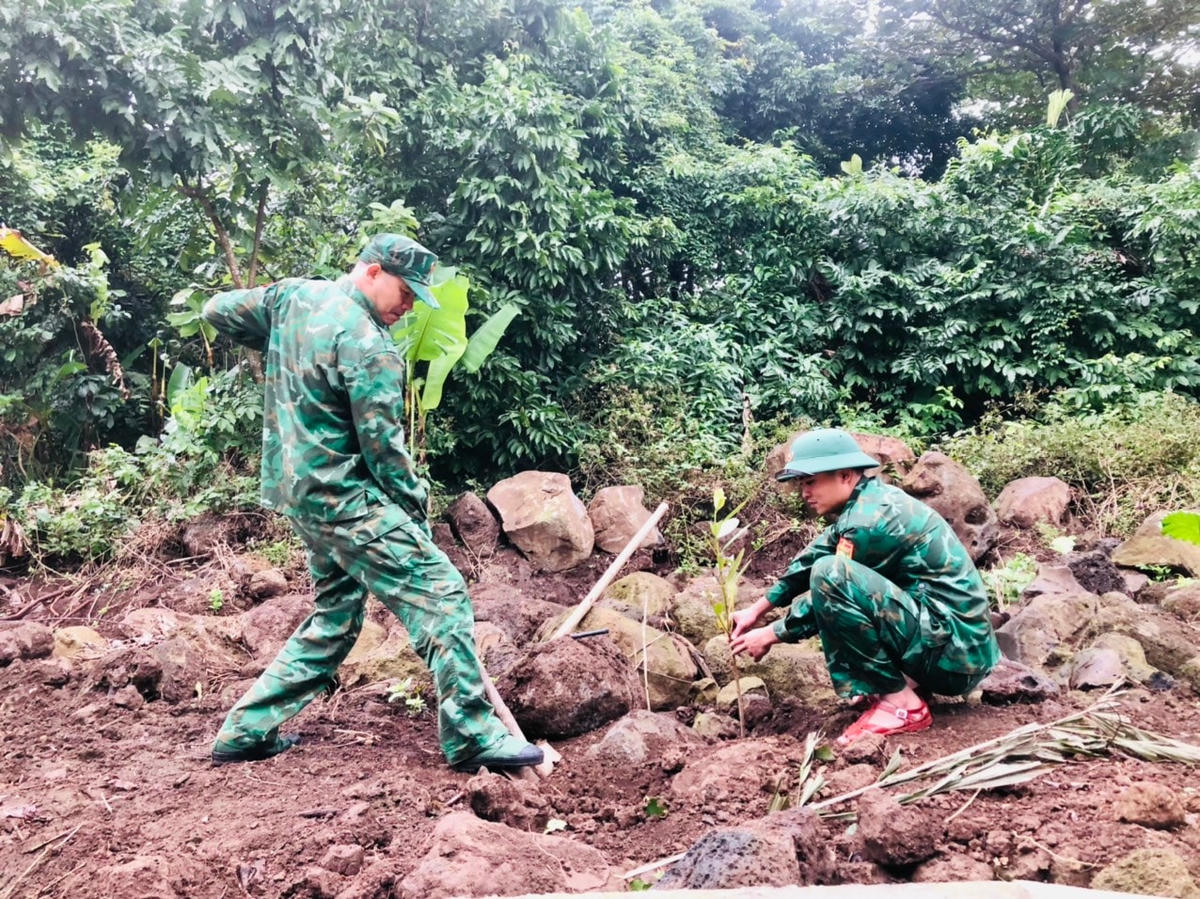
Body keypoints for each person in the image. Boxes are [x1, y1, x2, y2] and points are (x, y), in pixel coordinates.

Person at [202, 233, 542, 773]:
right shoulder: (370, 346)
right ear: (373, 271)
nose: (408, 307)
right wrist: (414, 513)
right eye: (405, 293)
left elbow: (215, 310)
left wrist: (275, 335)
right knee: (442, 594)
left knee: (337, 615)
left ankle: (245, 731)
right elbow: (385, 453)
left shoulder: (294, 298)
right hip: (346, 499)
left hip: (298, 494)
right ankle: (472, 736)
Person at [729, 428, 1000, 747]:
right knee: (827, 567)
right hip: (953, 645)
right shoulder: (870, 502)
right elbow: (811, 557)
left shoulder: (870, 522)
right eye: (801, 484)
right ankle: (904, 684)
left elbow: (832, 589)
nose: (804, 492)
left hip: (956, 655)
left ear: (845, 476)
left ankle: (902, 705)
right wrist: (757, 609)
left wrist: (771, 633)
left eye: (810, 481)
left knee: (831, 574)